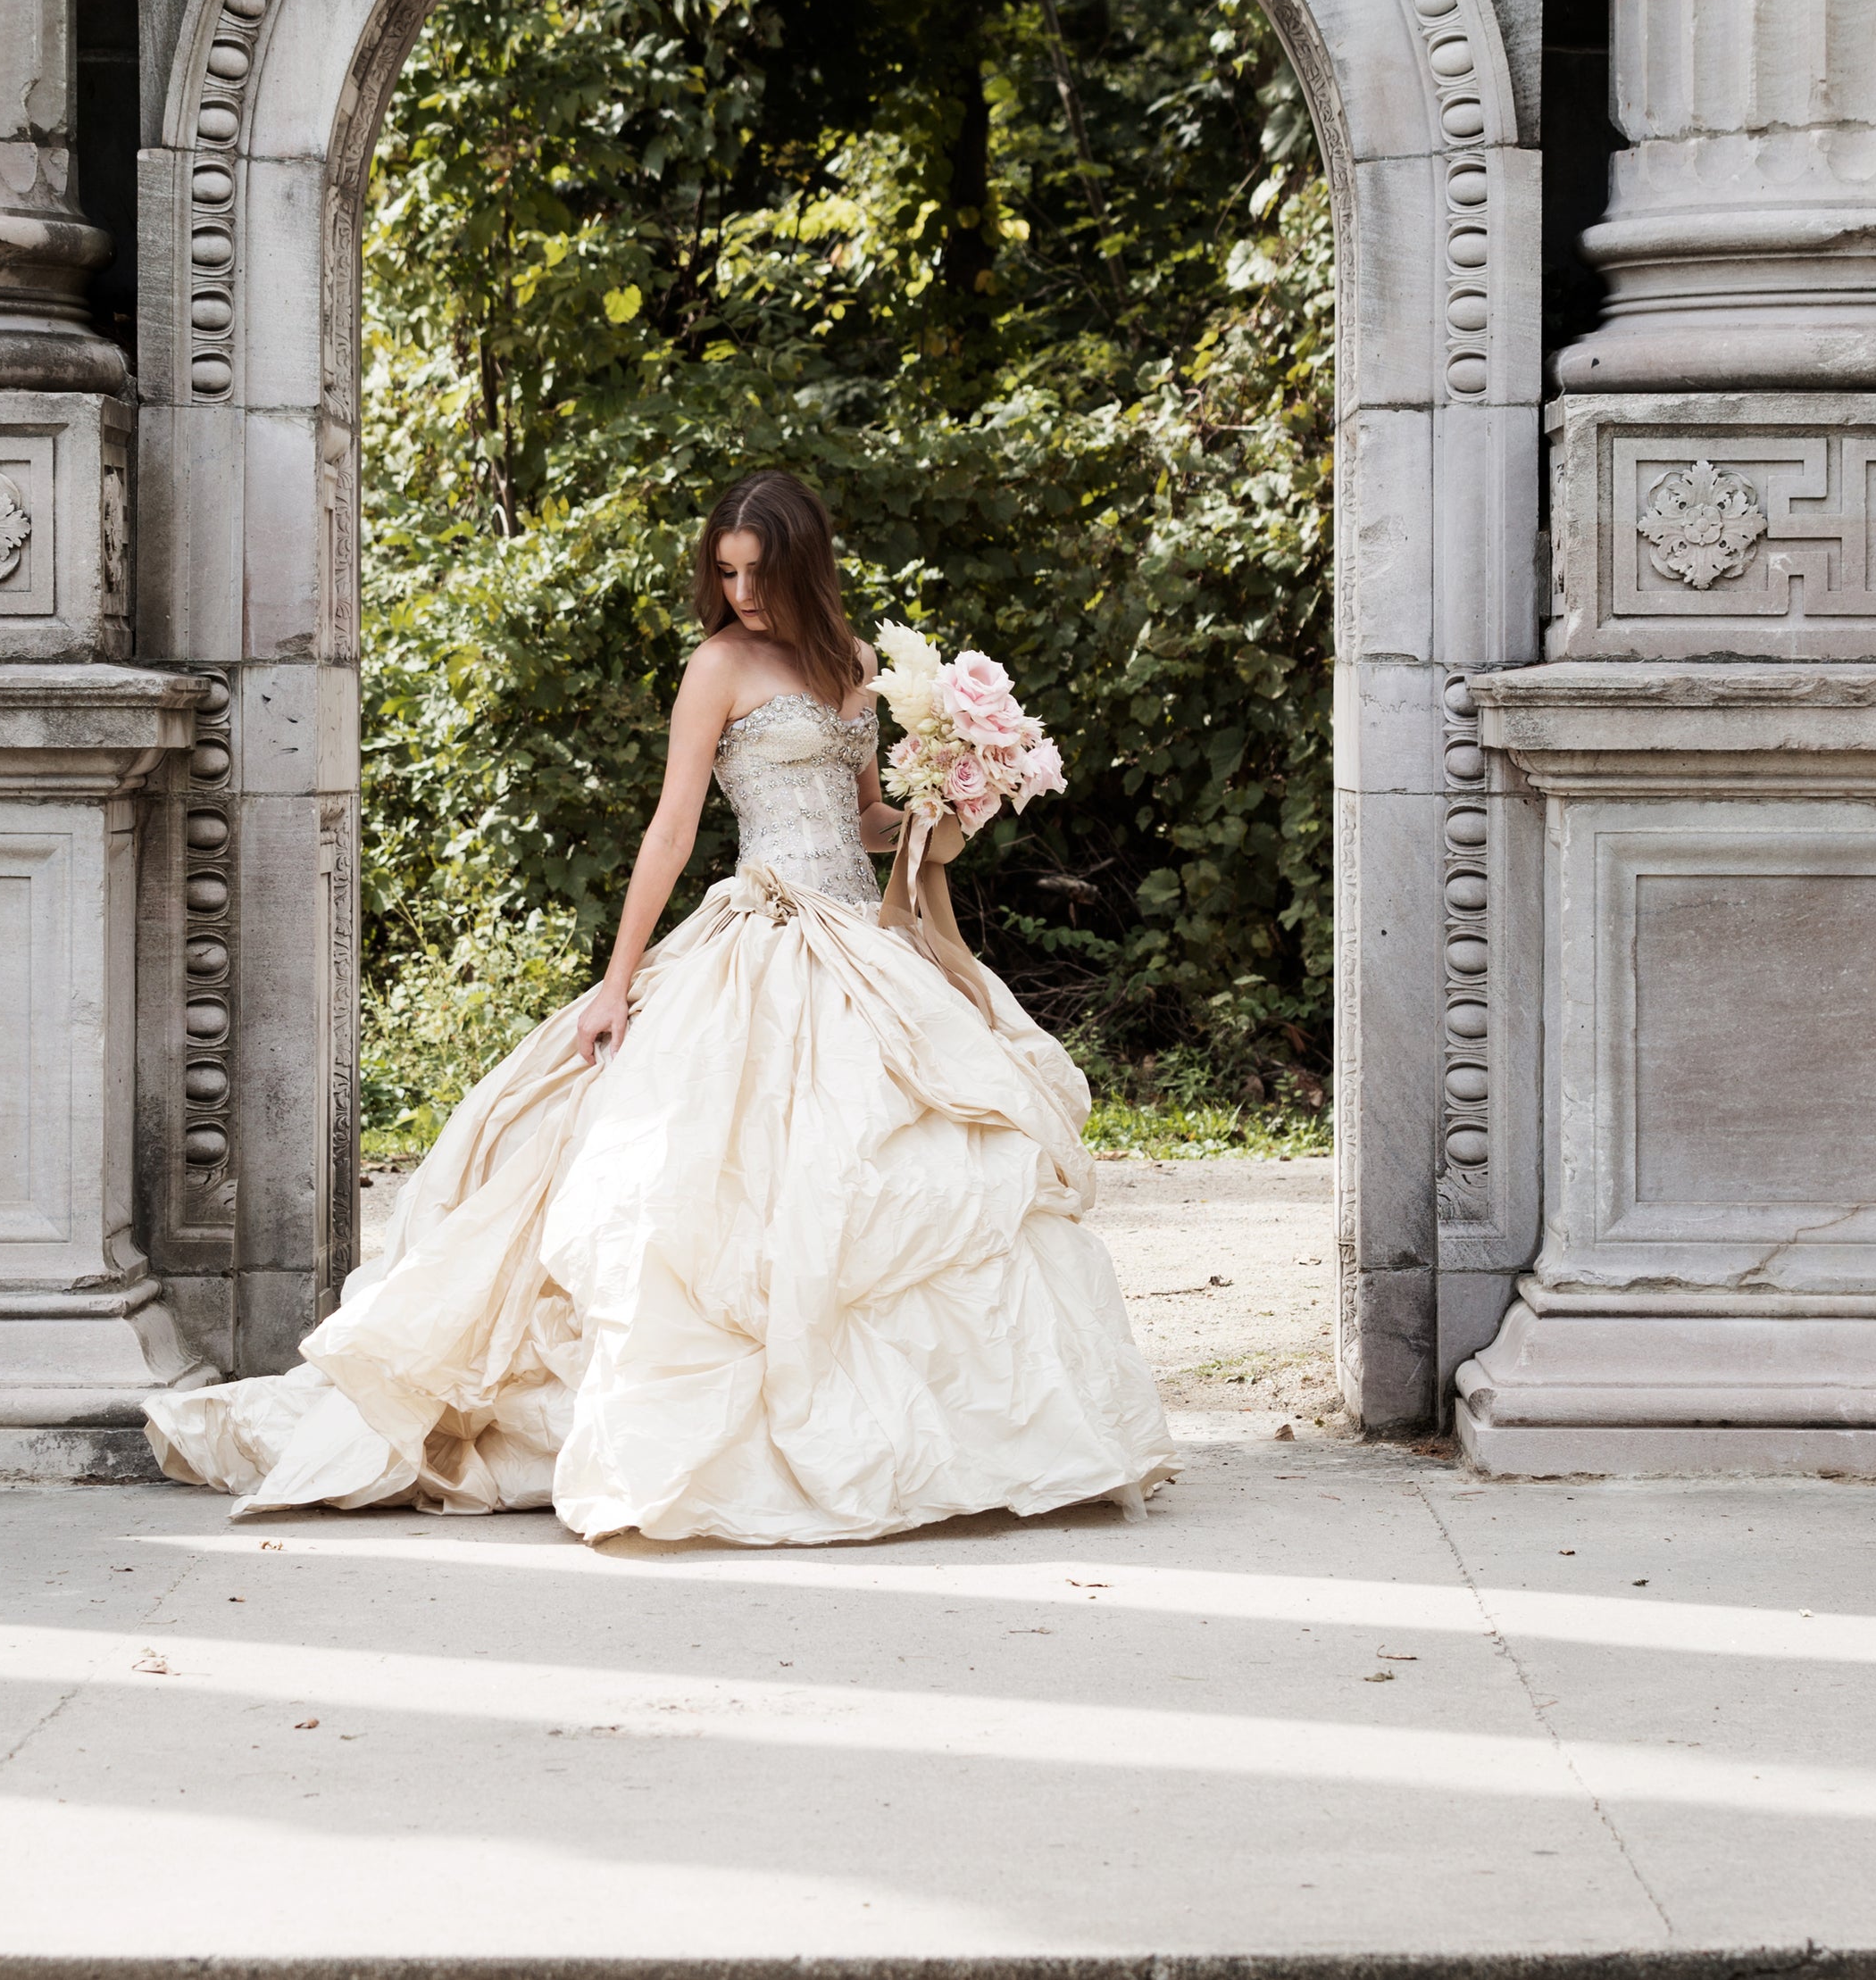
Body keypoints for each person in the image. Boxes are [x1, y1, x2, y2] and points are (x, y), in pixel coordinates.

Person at [146, 469, 1175, 1543]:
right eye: (725, 573)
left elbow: (865, 820)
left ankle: (974, 1443)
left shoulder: (857, 668)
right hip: (757, 932)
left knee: (911, 1166)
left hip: (859, 947)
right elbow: (672, 831)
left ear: (805, 565)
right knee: (692, 1176)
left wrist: (953, 790)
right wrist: (613, 980)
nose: (739, 594)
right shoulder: (716, 666)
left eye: (759, 573)